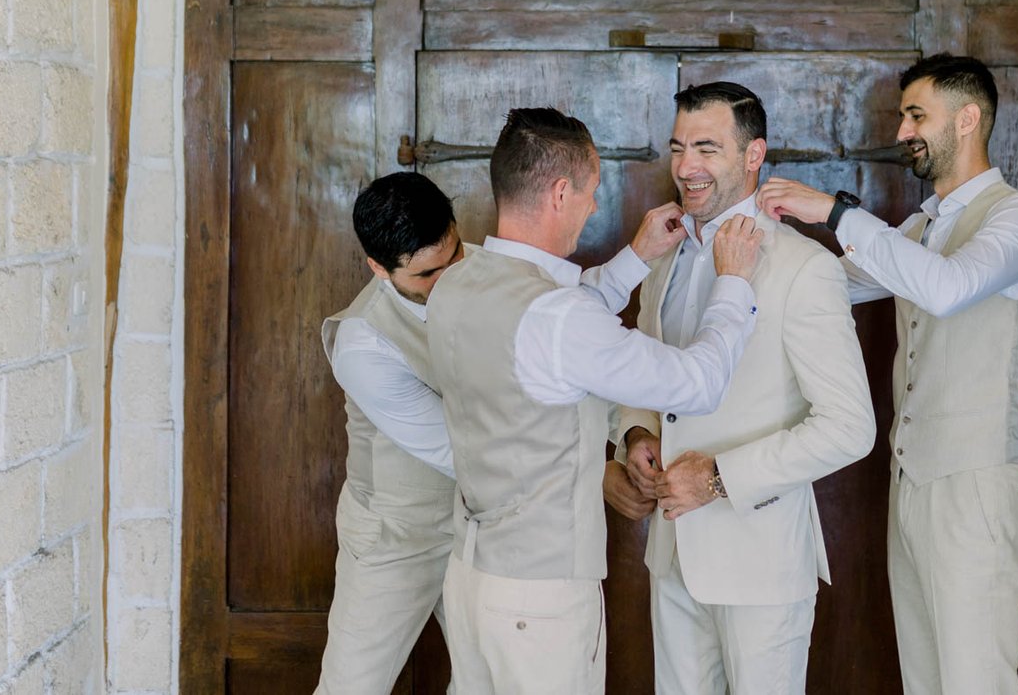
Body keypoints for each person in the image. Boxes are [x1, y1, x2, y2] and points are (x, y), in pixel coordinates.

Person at [429, 107, 764, 695]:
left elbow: (556, 323)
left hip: (470, 578)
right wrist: (733, 282)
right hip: (541, 600)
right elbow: (700, 383)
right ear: (561, 193)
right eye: (589, 192)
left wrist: (635, 257)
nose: (591, 208)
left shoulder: (459, 282)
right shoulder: (559, 317)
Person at [756, 53, 1018, 695]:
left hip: (977, 488)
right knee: (922, 681)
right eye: (903, 117)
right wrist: (746, 235)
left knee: (976, 683)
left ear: (968, 119)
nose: (902, 132)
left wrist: (834, 212)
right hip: (910, 485)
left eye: (917, 115)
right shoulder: (921, 225)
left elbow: (948, 288)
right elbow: (830, 287)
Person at [315, 171, 663, 694]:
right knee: (351, 687)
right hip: (396, 535)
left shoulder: (482, 265)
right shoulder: (362, 345)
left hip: (485, 529)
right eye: (426, 274)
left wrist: (630, 430)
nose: (448, 280)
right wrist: (596, 475)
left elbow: (568, 338)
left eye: (454, 256)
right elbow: (467, 449)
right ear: (379, 269)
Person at [616, 82, 875, 695]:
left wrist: (718, 477)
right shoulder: (662, 256)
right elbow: (640, 370)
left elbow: (850, 427)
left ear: (754, 154)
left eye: (707, 148)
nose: (686, 167)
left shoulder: (803, 267)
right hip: (672, 552)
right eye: (678, 148)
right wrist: (634, 433)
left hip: (761, 561)